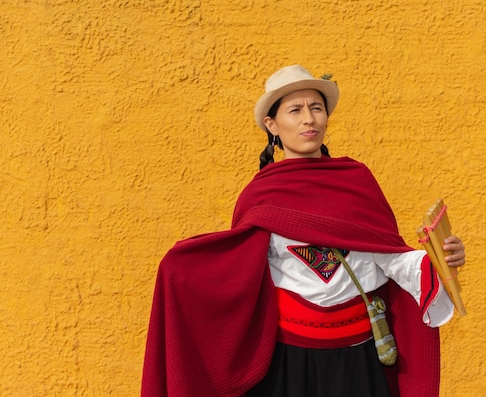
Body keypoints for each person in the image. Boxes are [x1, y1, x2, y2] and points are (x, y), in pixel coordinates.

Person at [141, 65, 466, 397]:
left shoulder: (357, 183)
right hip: (286, 363)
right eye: (295, 110)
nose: (308, 119)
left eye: (316, 108)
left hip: (357, 359)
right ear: (272, 125)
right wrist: (180, 271)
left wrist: (439, 261)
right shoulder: (260, 194)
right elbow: (242, 272)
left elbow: (391, 259)